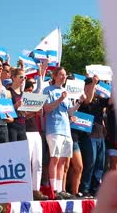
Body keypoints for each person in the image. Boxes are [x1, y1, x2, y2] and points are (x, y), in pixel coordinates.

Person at [43, 66, 85, 199]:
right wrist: (60, 99)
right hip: (54, 129)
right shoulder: (47, 90)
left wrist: (79, 102)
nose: (64, 77)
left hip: (66, 130)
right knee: (54, 159)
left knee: (63, 161)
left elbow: (69, 112)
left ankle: (61, 189)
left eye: (65, 75)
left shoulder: (65, 92)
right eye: (61, 74)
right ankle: (53, 190)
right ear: (55, 76)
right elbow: (47, 108)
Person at [7, 68, 28, 142]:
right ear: (13, 77)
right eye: (21, 77)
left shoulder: (23, 94)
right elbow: (5, 111)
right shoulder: (8, 92)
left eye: (25, 77)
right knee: (13, 152)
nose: (23, 79)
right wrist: (15, 106)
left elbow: (25, 114)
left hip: (22, 127)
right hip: (12, 127)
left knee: (23, 152)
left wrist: (34, 111)